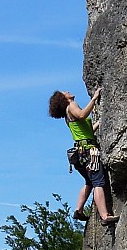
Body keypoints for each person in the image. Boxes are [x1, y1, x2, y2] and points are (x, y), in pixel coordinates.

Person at [48, 87, 118, 226]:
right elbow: (81, 115)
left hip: (80, 151)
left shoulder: (67, 117)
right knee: (98, 182)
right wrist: (94, 99)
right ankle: (104, 215)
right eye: (65, 92)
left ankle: (78, 209)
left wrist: (100, 122)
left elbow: (86, 131)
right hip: (89, 150)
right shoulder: (71, 106)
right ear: (64, 98)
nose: (68, 91)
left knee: (89, 182)